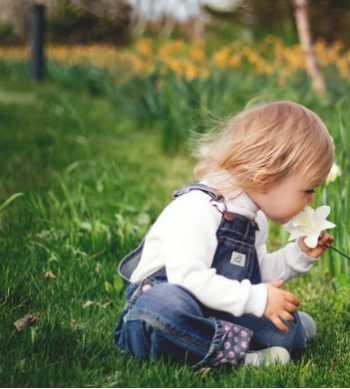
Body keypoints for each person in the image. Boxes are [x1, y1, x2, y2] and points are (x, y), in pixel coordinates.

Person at [112, 100, 335, 369]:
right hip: (166, 305)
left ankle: (248, 337)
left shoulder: (255, 219)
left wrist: (299, 254)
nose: (310, 200)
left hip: (214, 305)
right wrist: (257, 299)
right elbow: (188, 279)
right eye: (308, 190)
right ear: (267, 176)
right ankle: (242, 358)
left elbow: (255, 274)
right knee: (163, 310)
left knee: (286, 328)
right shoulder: (199, 208)